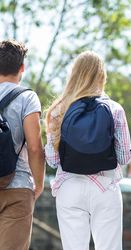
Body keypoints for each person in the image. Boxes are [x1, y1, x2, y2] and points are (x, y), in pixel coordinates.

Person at [45, 51, 131, 250]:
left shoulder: (58, 110)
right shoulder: (114, 109)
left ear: (74, 74)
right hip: (105, 186)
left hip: (69, 187)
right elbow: (124, 157)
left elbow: (52, 159)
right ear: (102, 76)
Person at [0, 40, 45, 250]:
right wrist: (39, 183)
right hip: (17, 186)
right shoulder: (27, 97)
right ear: (22, 68)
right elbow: (35, 147)